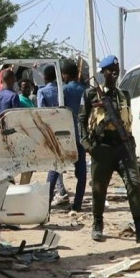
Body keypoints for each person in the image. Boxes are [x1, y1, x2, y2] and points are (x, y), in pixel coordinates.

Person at [79, 55, 140, 243]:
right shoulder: (91, 95)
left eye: (116, 69)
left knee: (134, 185)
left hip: (123, 146)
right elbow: (82, 119)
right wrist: (86, 144)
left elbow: (127, 119)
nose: (114, 73)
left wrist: (131, 144)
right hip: (102, 147)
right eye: (110, 70)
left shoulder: (124, 95)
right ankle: (97, 224)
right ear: (103, 73)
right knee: (99, 188)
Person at [37, 66, 70, 206]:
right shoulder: (62, 91)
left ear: (45, 78)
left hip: (48, 130)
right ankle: (59, 191)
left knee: (53, 162)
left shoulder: (42, 91)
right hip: (62, 129)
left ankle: (59, 192)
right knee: (58, 161)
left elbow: (40, 112)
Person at [60, 62, 88, 212]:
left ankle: (46, 204)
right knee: (81, 172)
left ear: (66, 74)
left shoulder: (63, 90)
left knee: (55, 169)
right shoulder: (86, 90)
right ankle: (77, 204)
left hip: (66, 135)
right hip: (82, 136)